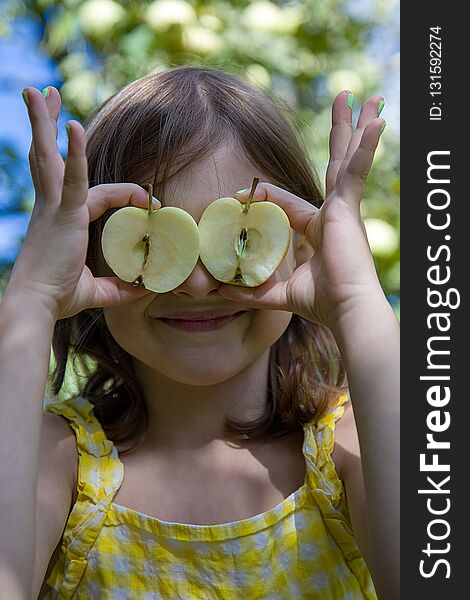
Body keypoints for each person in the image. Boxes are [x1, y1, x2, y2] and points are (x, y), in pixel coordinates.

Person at [0, 66, 399, 599]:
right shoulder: (59, 465)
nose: (196, 283)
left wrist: (355, 301)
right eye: (150, 243)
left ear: (301, 248)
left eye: (236, 236)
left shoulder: (350, 450)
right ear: (90, 259)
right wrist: (31, 302)